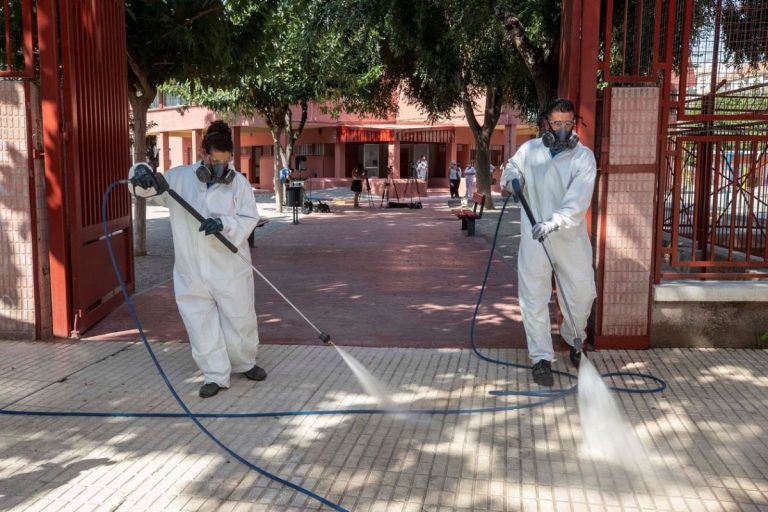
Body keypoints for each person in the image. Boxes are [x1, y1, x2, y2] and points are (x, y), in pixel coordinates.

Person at [129, 120, 267, 398]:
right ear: (203, 154)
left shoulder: (238, 184)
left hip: (230, 267)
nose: (220, 169)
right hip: (191, 269)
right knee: (200, 322)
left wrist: (224, 225)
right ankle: (215, 374)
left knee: (240, 318)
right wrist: (141, 174)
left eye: (225, 163)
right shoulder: (179, 178)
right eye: (215, 162)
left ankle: (244, 362)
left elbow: (249, 217)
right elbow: (147, 190)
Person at [500, 98, 597, 387]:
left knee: (581, 294)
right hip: (535, 239)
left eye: (568, 123)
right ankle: (541, 358)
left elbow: (577, 201)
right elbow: (510, 168)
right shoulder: (530, 150)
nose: (563, 129)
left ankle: (575, 341)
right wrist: (513, 178)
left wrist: (553, 223)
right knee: (533, 297)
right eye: (557, 123)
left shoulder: (583, 158)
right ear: (547, 123)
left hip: (569, 238)